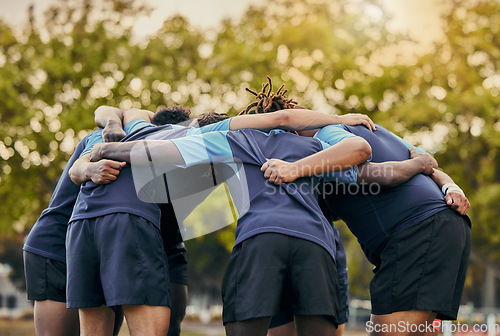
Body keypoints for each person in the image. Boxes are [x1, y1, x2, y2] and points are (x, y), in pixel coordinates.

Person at [67, 104, 376, 336]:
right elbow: (360, 156)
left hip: (259, 237)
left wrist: (107, 149)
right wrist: (335, 128)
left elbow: (159, 146)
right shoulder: (314, 146)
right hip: (316, 242)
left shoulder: (236, 140)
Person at [262, 122, 471, 336]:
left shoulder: (326, 140)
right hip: (444, 225)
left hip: (417, 231)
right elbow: (429, 162)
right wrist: (451, 187)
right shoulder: (366, 130)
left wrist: (293, 168)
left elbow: (379, 164)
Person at [22, 116, 128, 336]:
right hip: (55, 248)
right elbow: (78, 171)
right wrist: (91, 170)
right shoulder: (108, 135)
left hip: (98, 251)